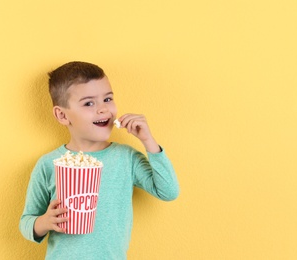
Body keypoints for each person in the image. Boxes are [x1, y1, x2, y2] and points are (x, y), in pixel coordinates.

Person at [19, 61, 179, 259]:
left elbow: (168, 191)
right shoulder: (48, 164)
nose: (103, 109)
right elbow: (26, 222)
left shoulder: (126, 158)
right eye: (89, 103)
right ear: (62, 115)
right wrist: (44, 222)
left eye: (108, 99)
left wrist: (148, 140)